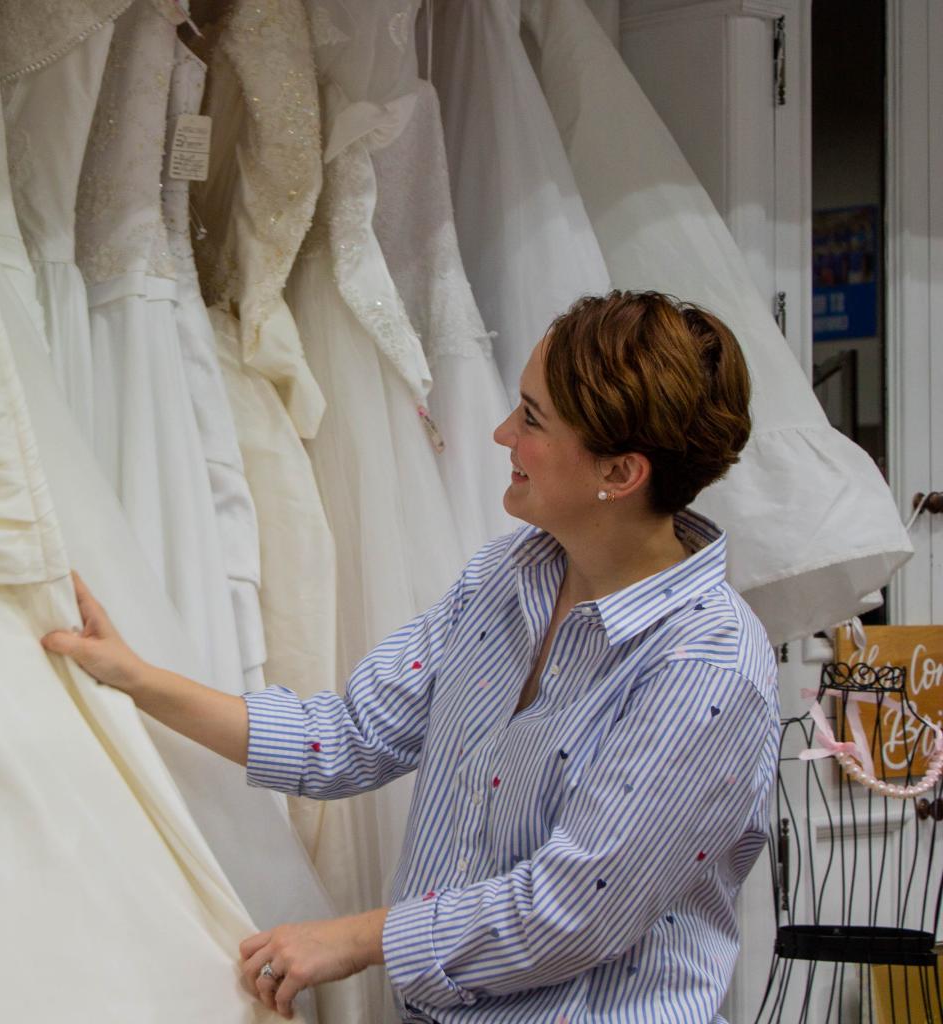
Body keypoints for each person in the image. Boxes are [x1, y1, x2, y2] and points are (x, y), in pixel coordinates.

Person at [43, 290, 780, 1022]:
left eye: (530, 418)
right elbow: (347, 737)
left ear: (619, 474)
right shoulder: (507, 578)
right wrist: (136, 678)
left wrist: (358, 939)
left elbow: (567, 911)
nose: (499, 433)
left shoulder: (707, 672)